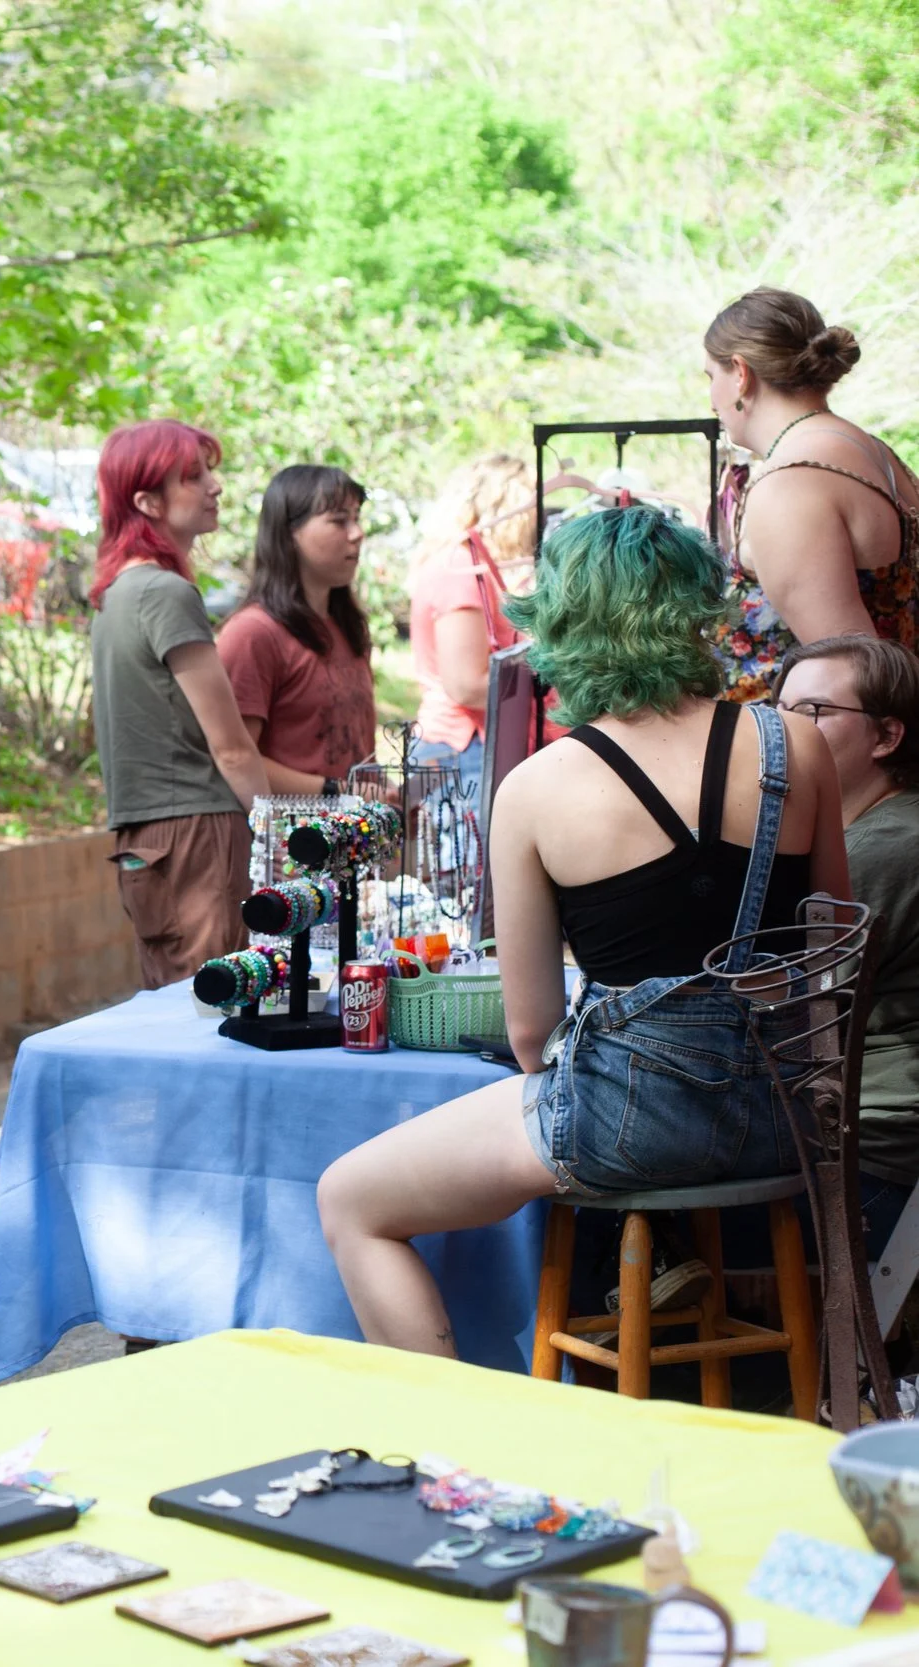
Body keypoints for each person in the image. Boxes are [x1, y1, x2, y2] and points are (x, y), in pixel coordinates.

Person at [317, 507, 848, 1356]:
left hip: (624, 1126)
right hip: (787, 1118)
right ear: (698, 611)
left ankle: (448, 1428)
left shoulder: (535, 787)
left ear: (564, 625)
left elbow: (531, 1034)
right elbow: (829, 961)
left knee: (350, 1199)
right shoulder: (795, 744)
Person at [86, 419, 271, 988]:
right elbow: (231, 747)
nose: (215, 486)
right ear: (147, 501)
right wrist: (278, 836)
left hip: (146, 838)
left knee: (176, 1005)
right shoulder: (164, 592)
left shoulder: (117, 593)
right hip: (196, 833)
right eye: (193, 476)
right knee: (216, 1007)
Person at [773, 635, 919, 1247]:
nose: (784, 730)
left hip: (869, 1160)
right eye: (777, 711)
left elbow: (780, 1011)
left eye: (812, 712)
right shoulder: (877, 828)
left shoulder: (881, 847)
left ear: (887, 736)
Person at [707, 289, 919, 700]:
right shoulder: (873, 451)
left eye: (710, 377)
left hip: (805, 738)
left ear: (740, 373)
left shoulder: (790, 484)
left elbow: (851, 679)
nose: (711, 399)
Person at [217, 465, 379, 796]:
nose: (357, 533)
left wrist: (387, 793)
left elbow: (359, 756)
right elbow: (235, 758)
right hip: (293, 829)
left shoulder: (347, 627)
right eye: (339, 520)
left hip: (359, 827)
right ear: (290, 532)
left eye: (357, 518)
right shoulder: (253, 633)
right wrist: (336, 791)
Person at [407, 455, 540, 795]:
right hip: (461, 747)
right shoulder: (460, 570)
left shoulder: (473, 566)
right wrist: (552, 677)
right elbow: (467, 685)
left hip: (469, 745)